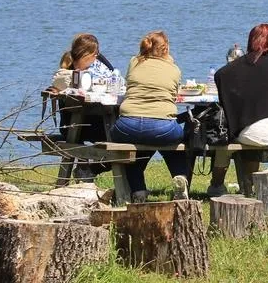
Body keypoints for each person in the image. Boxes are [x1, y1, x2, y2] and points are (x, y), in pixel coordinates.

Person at [208, 23, 268, 197]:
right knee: (249, 131)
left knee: (228, 137)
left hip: (255, 132)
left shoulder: (236, 67)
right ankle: (248, 185)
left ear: (250, 41)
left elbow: (219, 75)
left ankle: (217, 185)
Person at [108, 31, 190, 203]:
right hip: (163, 127)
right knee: (172, 142)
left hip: (128, 124)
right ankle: (180, 177)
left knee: (135, 146)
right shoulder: (174, 69)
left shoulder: (134, 62)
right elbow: (174, 94)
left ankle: (138, 190)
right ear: (166, 49)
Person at [50, 33, 114, 181]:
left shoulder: (100, 64)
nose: (95, 58)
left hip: (98, 125)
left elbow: (114, 77)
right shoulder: (68, 70)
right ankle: (86, 169)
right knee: (116, 140)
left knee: (121, 143)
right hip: (73, 126)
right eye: (93, 55)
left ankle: (89, 169)